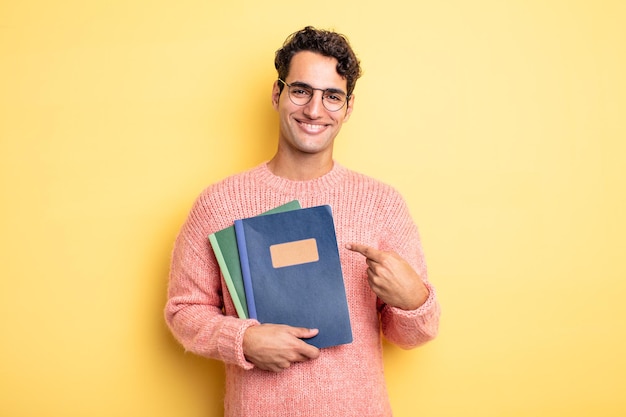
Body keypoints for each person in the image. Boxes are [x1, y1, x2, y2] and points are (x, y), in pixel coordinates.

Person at [165, 26, 440, 417]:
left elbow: (414, 336)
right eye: (301, 91)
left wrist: (414, 300)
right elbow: (183, 310)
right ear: (277, 94)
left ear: (349, 107)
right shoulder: (219, 202)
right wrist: (242, 339)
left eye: (332, 97)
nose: (314, 110)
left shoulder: (382, 204)